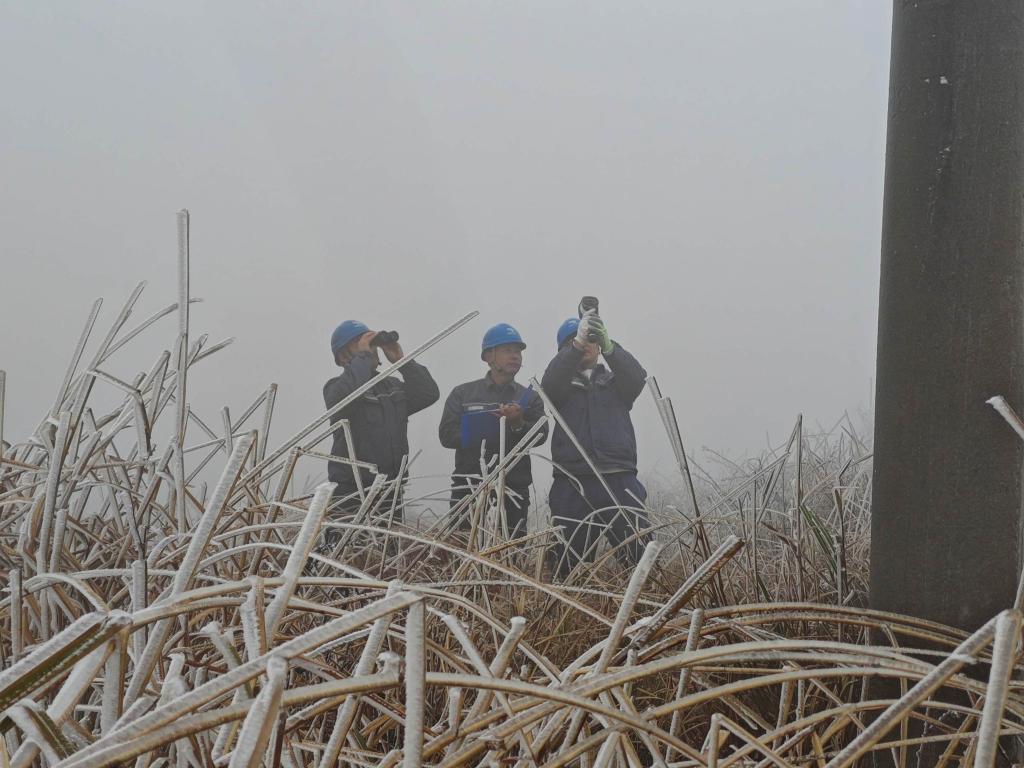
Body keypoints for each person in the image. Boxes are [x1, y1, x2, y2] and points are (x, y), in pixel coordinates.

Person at [541, 310, 649, 576]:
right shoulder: (558, 388)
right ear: (564, 351)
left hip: (619, 478)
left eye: (591, 339)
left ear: (600, 345)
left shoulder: (617, 383)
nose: (584, 345)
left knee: (640, 560)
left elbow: (637, 377)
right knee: (565, 567)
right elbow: (550, 381)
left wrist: (611, 347)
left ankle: (648, 602)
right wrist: (577, 345)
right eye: (574, 342)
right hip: (572, 482)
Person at [323, 320, 439, 522]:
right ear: (343, 356)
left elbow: (428, 393)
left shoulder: (392, 387)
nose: (371, 348)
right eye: (360, 343)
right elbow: (348, 395)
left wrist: (402, 361)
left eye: (371, 343)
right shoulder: (335, 387)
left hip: (390, 492)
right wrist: (363, 357)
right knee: (349, 543)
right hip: (351, 494)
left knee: (388, 543)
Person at [438, 323, 547, 537]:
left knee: (513, 548)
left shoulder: (530, 398)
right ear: (489, 356)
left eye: (518, 351)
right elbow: (446, 435)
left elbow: (541, 435)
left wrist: (517, 423)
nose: (515, 356)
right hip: (469, 486)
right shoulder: (463, 394)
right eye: (508, 350)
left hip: (514, 487)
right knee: (462, 545)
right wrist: (481, 430)